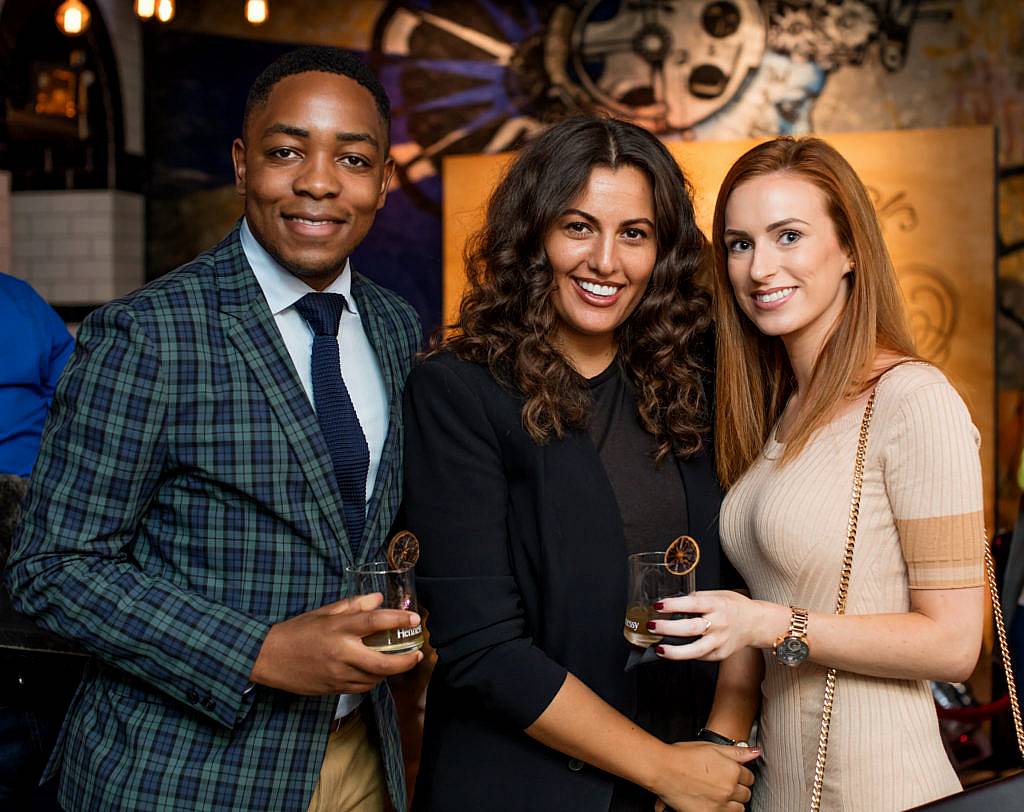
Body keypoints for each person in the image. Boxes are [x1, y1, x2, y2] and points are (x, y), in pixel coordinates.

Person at [5, 46, 423, 812]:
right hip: (182, 773)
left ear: (384, 182)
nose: (319, 181)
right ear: (241, 164)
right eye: (286, 151)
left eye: (353, 158)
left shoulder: (396, 327)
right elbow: (51, 567)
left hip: (360, 757)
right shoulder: (146, 334)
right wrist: (257, 652)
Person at [403, 115, 760, 812]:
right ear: (533, 234)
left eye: (635, 233)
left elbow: (750, 586)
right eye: (578, 227)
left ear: (662, 250)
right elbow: (482, 648)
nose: (606, 261)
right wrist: (662, 770)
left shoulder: (696, 378)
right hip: (526, 789)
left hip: (699, 777)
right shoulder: (458, 390)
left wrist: (717, 751)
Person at [653, 136, 986, 809]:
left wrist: (764, 623)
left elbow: (955, 644)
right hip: (784, 790)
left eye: (788, 236)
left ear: (851, 249)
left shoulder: (912, 400)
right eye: (740, 244)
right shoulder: (781, 409)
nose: (759, 267)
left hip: (884, 789)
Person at [0, 273, 78, 811]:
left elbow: (73, 391)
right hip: (32, 503)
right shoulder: (19, 297)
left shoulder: (17, 298)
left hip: (26, 508)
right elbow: (74, 395)